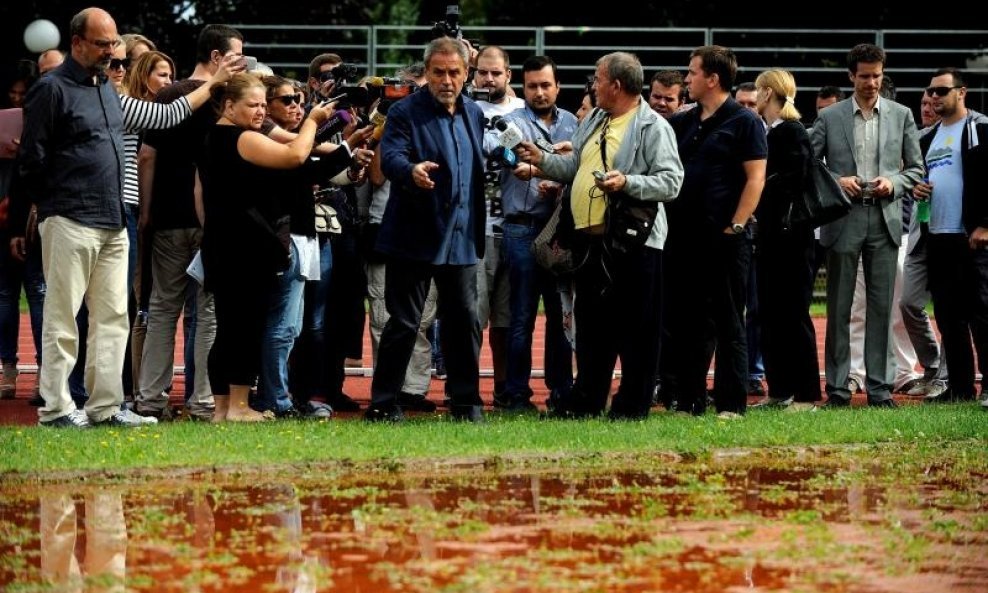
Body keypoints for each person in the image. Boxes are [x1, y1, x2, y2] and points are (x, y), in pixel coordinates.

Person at [515, 51, 684, 419]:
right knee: (592, 328)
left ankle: (632, 407)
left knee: (638, 330)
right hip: (589, 242)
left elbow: (671, 182)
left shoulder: (653, 127)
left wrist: (627, 182)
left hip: (635, 244)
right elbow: (575, 166)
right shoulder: (594, 118)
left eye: (597, 77)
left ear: (616, 85)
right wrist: (541, 160)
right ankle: (587, 403)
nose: (593, 83)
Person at [18, 7, 156, 428]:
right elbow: (31, 158)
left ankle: (106, 407)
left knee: (113, 318)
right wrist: (53, 204)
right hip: (69, 218)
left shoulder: (107, 88)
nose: (111, 50)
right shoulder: (51, 89)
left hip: (113, 220)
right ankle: (57, 408)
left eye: (114, 42)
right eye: (102, 43)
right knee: (62, 317)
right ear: (77, 42)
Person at [366, 36, 488, 423]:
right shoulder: (404, 112)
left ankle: (466, 404)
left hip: (463, 236)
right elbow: (394, 156)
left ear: (466, 74)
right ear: (428, 73)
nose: (446, 80)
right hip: (414, 235)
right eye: (439, 72)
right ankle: (384, 404)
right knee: (403, 323)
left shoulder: (474, 113)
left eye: (454, 72)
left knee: (464, 321)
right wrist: (411, 172)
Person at [199, 72, 332, 422]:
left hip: (223, 242)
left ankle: (223, 407)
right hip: (245, 246)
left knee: (229, 327)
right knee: (244, 327)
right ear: (229, 105)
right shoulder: (241, 138)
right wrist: (313, 120)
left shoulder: (215, 136)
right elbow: (295, 156)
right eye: (252, 105)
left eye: (262, 105)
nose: (260, 112)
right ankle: (239, 406)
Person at [134, 24, 245, 422]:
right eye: (237, 55)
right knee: (208, 312)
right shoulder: (229, 98)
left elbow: (147, 156)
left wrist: (147, 213)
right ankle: (202, 401)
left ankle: (150, 399)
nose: (242, 62)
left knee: (163, 308)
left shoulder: (169, 94)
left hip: (168, 217)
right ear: (217, 57)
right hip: (216, 218)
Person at [809, 43, 924, 408]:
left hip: (886, 218)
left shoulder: (902, 114)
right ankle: (839, 390)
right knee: (839, 308)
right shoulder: (830, 117)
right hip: (844, 217)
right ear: (851, 77)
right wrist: (837, 180)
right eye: (864, 76)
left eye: (877, 76)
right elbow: (809, 164)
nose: (871, 82)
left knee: (881, 309)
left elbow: (916, 170)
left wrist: (895, 182)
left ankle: (879, 390)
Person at [664, 45, 767, 418]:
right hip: (683, 237)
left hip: (725, 238)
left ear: (712, 78)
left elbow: (755, 178)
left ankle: (731, 404)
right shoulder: (682, 121)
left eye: (691, 73)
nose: (686, 79)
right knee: (688, 322)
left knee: (727, 321)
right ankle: (689, 400)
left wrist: (736, 225)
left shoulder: (745, 121)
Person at [488, 55, 578, 412]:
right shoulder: (509, 121)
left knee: (560, 315)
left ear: (557, 86)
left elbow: (581, 166)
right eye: (532, 86)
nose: (539, 92)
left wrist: (549, 175)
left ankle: (561, 392)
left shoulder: (574, 123)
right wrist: (523, 164)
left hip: (560, 229)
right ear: (522, 87)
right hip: (521, 228)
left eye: (546, 85)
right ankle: (516, 395)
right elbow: (500, 153)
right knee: (521, 314)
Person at [912, 68, 988, 407]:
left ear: (962, 92)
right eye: (931, 91)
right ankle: (960, 388)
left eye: (942, 91)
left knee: (981, 313)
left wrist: (984, 224)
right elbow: (923, 179)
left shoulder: (980, 129)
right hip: (938, 236)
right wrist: (918, 190)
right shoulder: (927, 138)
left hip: (971, 237)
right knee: (948, 316)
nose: (935, 97)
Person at [748, 69, 820, 410]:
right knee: (772, 315)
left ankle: (804, 392)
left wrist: (760, 187)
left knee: (791, 314)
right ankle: (781, 390)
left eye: (759, 91)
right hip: (774, 238)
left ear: (767, 94)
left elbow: (795, 180)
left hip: (792, 240)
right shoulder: (774, 131)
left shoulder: (791, 132)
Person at [469, 45, 524, 406]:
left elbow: (524, 147)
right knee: (472, 316)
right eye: (482, 72)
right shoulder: (466, 108)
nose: (488, 79)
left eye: (495, 73)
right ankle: (466, 386)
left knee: (507, 320)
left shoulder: (523, 110)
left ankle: (504, 387)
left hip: (517, 226)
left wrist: (501, 142)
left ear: (508, 75)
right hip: (477, 227)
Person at [898, 91, 950, 399]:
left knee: (949, 308)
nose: (928, 109)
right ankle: (931, 365)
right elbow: (907, 176)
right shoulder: (917, 139)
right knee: (908, 302)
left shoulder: (972, 130)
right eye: (923, 104)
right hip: (920, 234)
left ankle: (944, 375)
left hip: (952, 232)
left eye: (934, 104)